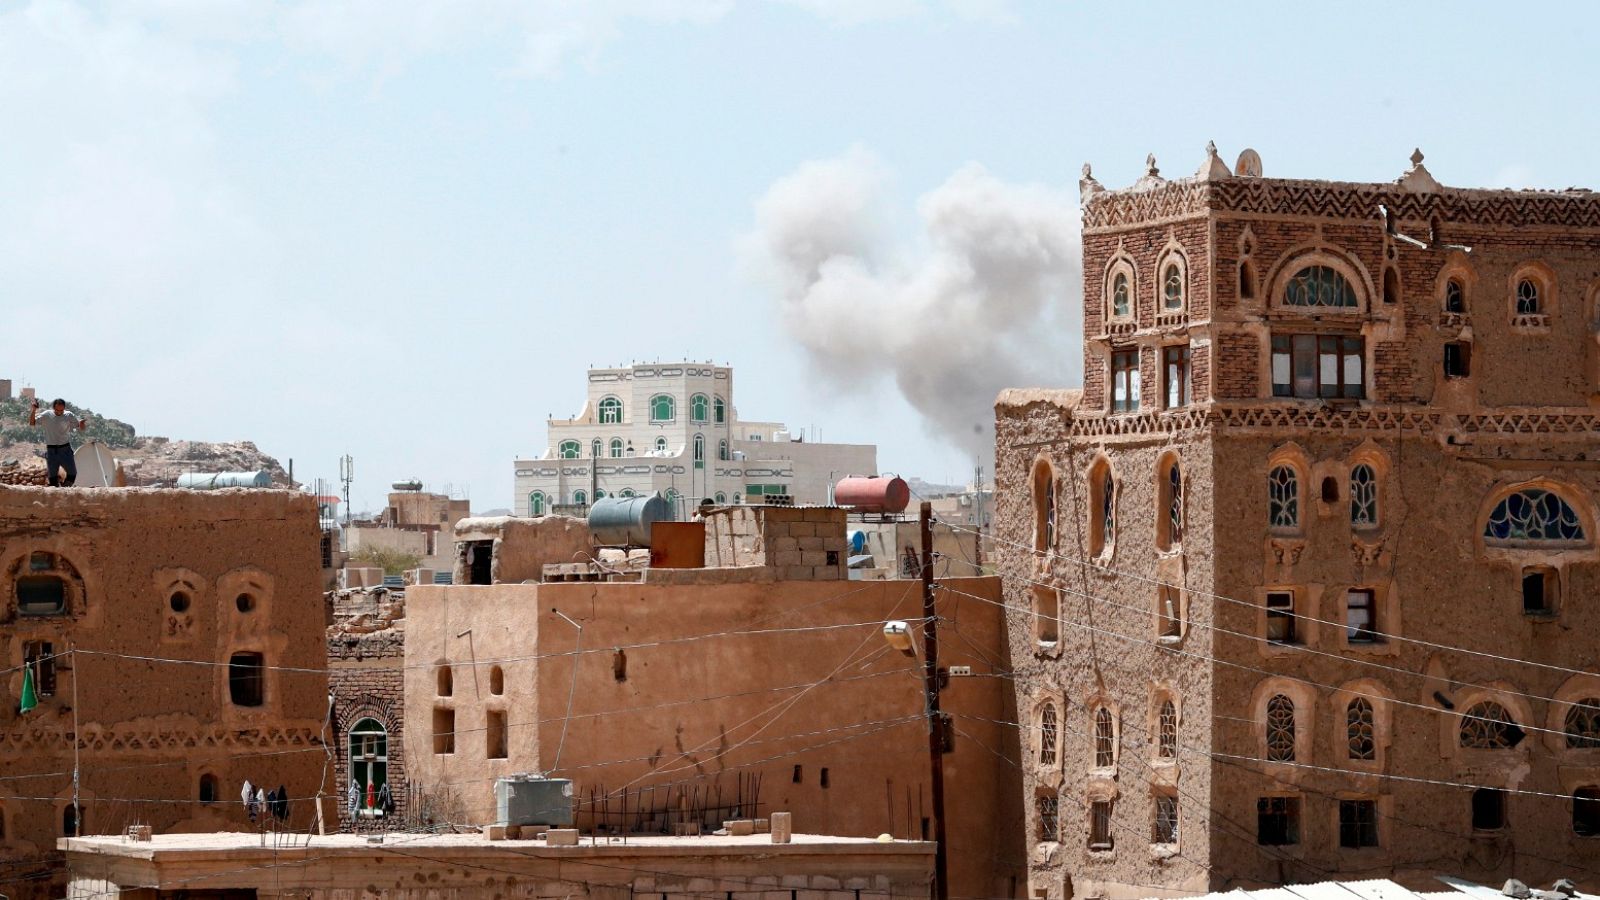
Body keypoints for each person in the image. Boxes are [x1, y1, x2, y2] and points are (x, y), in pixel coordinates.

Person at [29, 398, 88, 487]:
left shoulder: (69, 415)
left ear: (64, 408)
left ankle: (64, 491)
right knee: (52, 479)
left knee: (72, 474)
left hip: (65, 450)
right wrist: (33, 410)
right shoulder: (47, 415)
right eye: (57, 410)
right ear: (53, 408)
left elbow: (80, 427)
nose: (60, 412)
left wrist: (82, 425)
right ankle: (56, 494)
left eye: (61, 410)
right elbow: (32, 423)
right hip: (52, 451)